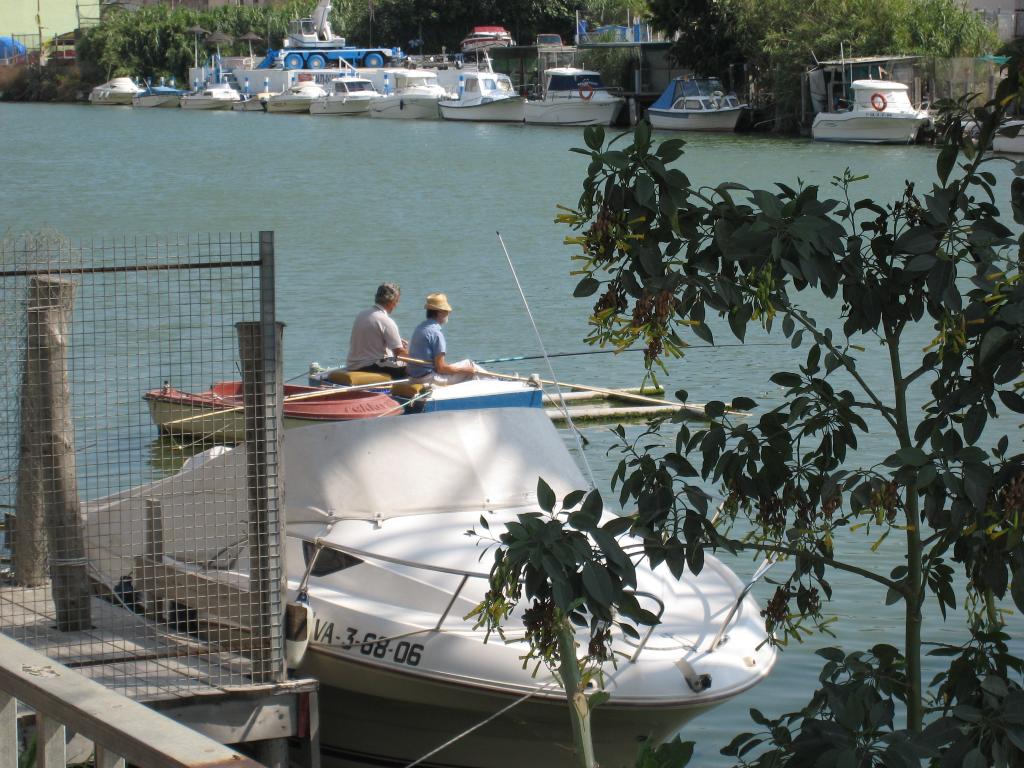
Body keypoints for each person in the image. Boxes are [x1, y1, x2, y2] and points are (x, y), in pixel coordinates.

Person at [407, 293, 477, 385]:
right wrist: (466, 370)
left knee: (467, 364)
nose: (449, 313)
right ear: (439, 312)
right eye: (447, 311)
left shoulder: (419, 328)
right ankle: (497, 383)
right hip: (428, 379)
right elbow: (441, 368)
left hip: (414, 378)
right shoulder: (436, 333)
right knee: (470, 366)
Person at [346, 283, 408, 379]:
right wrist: (419, 356)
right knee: (411, 368)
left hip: (352, 365)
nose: (396, 305)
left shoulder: (362, 314)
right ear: (392, 301)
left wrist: (396, 342)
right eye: (397, 301)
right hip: (369, 367)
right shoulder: (386, 321)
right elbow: (399, 354)